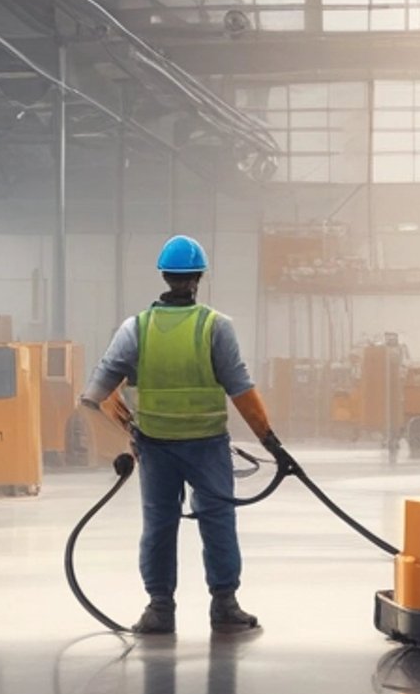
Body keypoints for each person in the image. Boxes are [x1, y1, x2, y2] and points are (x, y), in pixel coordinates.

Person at [81, 235, 285, 637]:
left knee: (158, 524)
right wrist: (270, 441)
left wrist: (127, 432)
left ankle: (160, 609)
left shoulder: (135, 328)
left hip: (155, 448)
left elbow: (95, 395)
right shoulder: (216, 327)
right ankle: (224, 606)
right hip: (207, 445)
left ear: (165, 275)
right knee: (218, 521)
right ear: (197, 279)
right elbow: (241, 390)